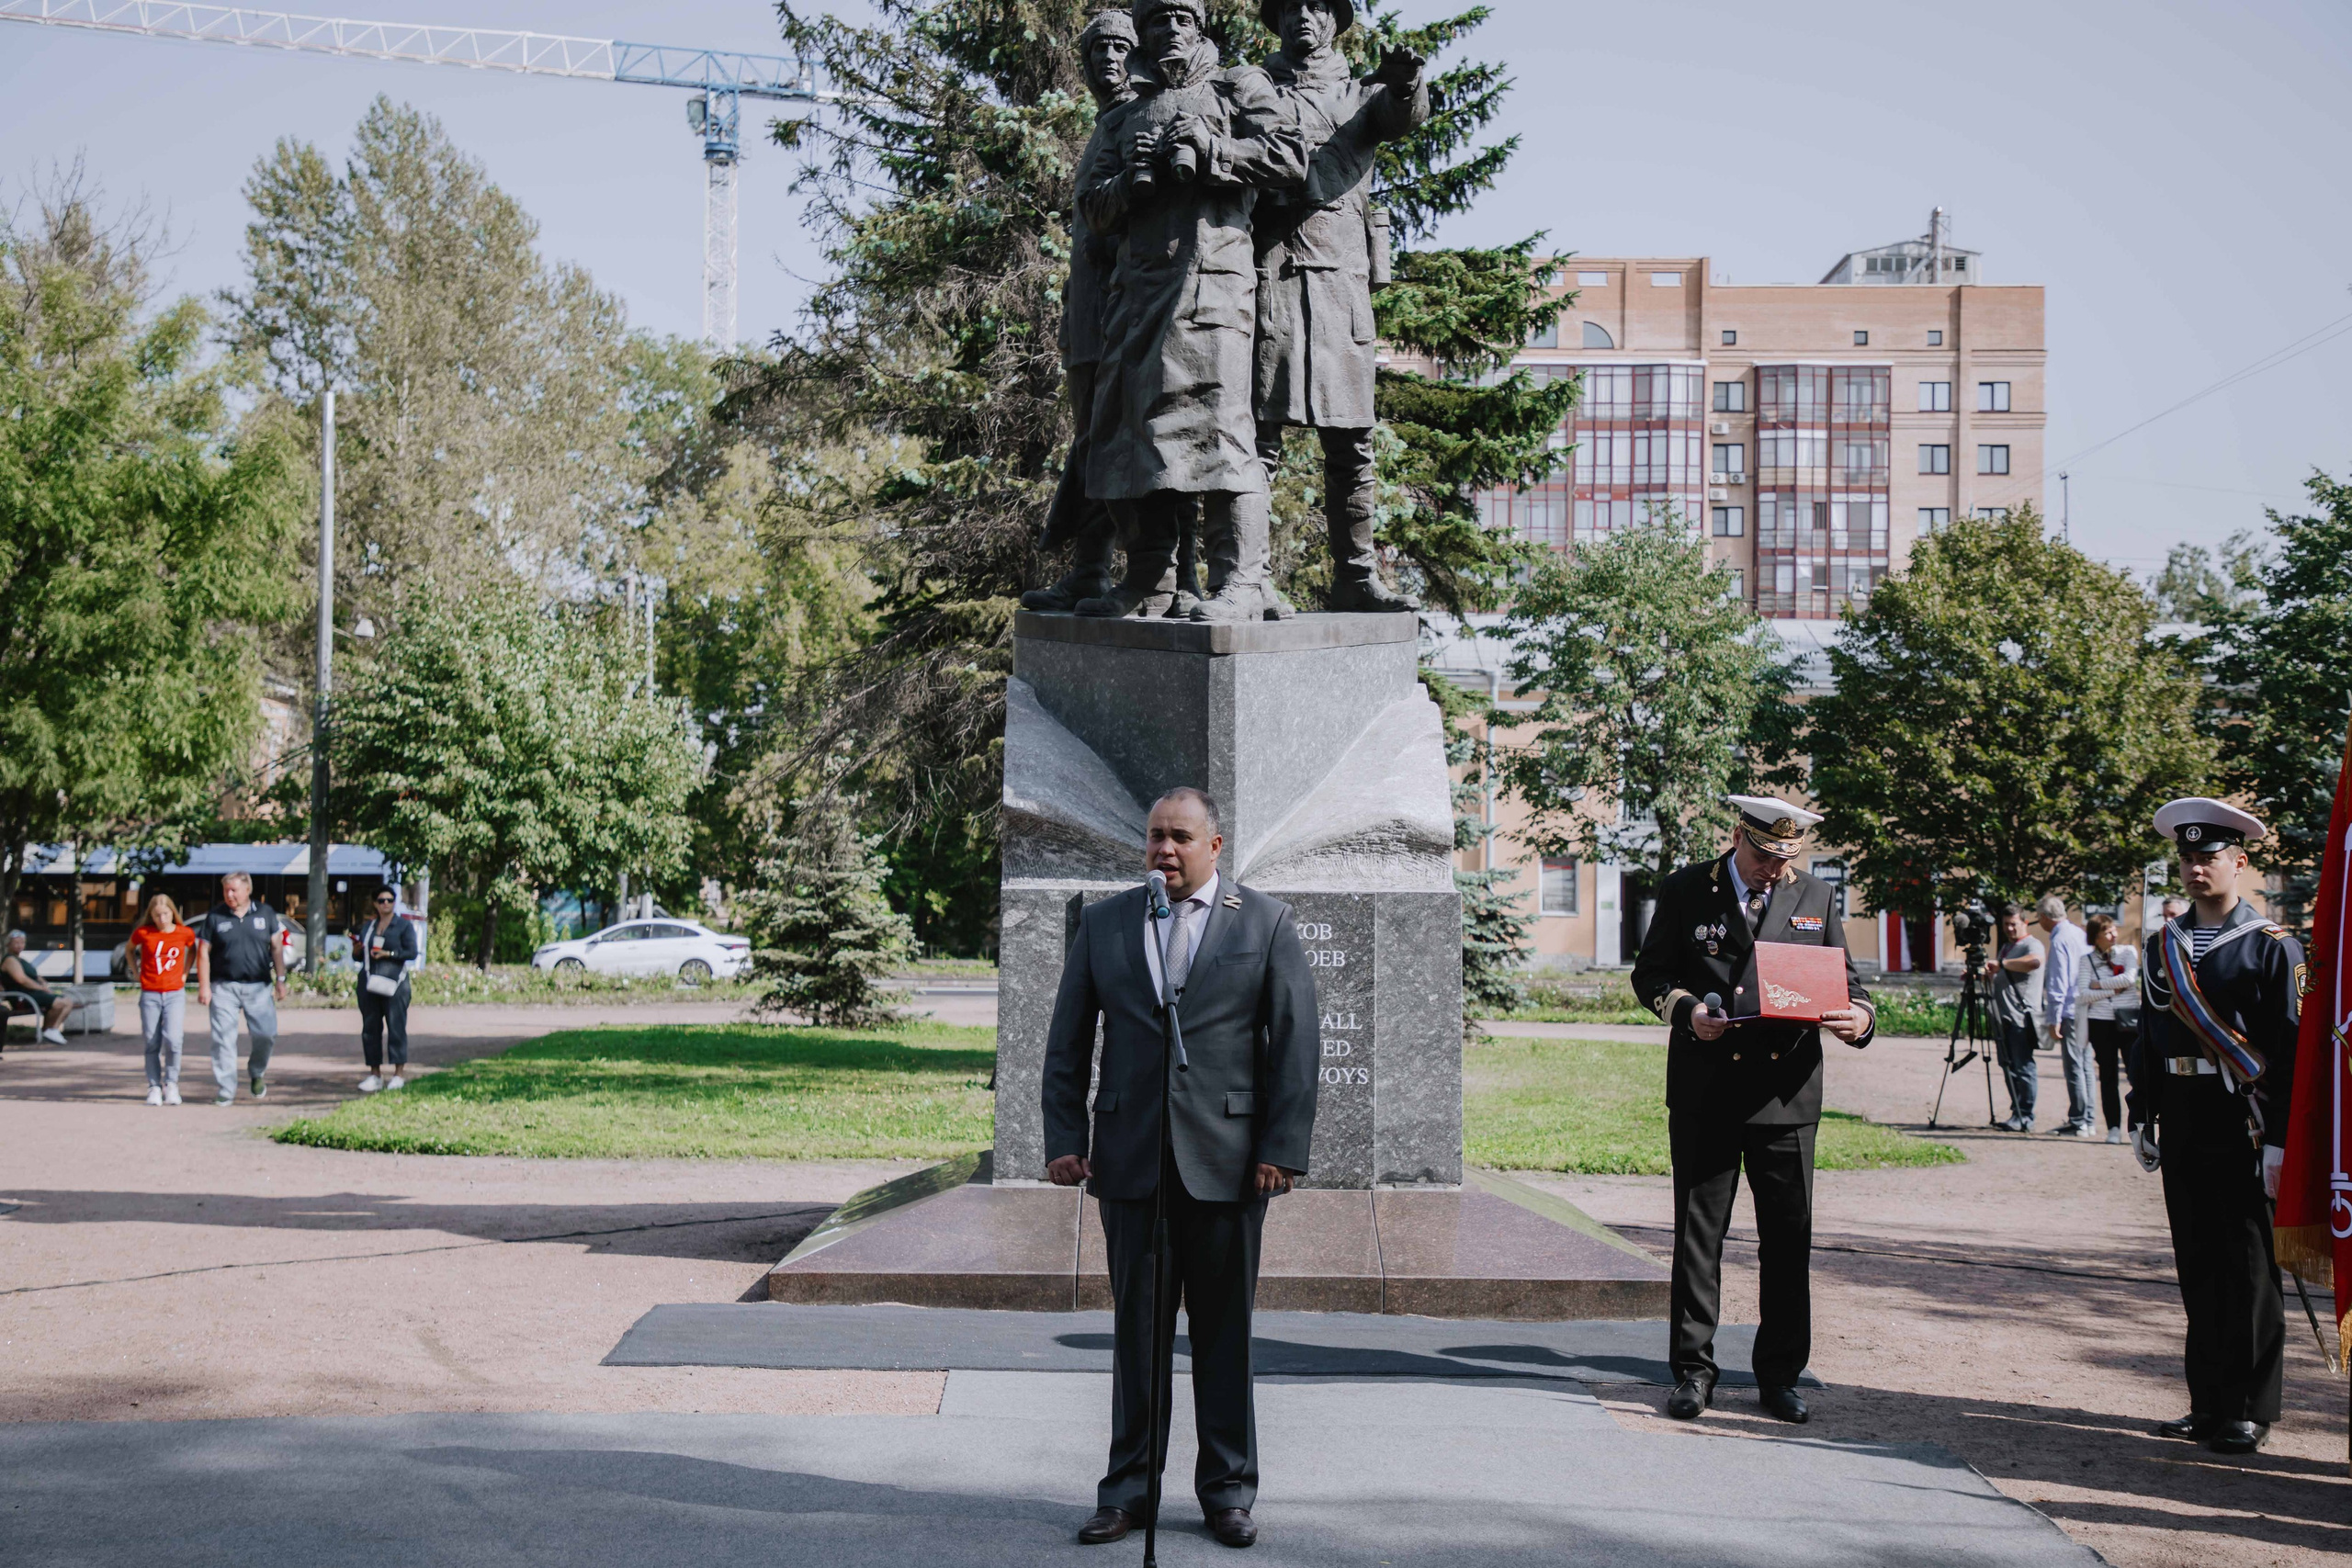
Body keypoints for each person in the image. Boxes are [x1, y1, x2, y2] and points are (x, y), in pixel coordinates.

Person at [1040, 786, 1318, 1548]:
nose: (1165, 849)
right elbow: (1068, 1040)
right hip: (1131, 1162)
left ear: (1215, 847)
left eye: (1180, 837)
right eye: (1156, 836)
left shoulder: (1264, 922)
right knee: (1137, 1338)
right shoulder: (1104, 923)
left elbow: (1296, 1042)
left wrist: (1282, 1147)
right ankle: (1128, 1490)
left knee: (1225, 1335)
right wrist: (1064, 1133)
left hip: (1228, 1166)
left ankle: (1227, 1490)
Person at [1631, 795, 1874, 1427]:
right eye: (1766, 855)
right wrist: (1687, 1011)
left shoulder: (1816, 897)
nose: (1775, 870)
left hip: (1787, 1095)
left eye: (1786, 858)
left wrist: (1861, 1018)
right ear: (1739, 836)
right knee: (1698, 1236)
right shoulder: (1688, 888)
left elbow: (1849, 983)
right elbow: (1650, 974)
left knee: (1788, 1241)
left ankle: (1780, 1376)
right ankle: (1693, 1370)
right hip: (1708, 1088)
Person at [1075, 0, 1307, 624]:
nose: (1169, 31)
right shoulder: (1125, 116)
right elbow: (1092, 208)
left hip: (1211, 290)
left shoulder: (1238, 86)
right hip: (1138, 298)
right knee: (1130, 436)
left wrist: (1214, 150)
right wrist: (1130, 179)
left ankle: (1242, 580)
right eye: (1156, 22)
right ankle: (1149, 580)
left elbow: (1291, 158)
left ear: (1200, 27)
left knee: (1224, 432)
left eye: (1182, 19)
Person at [2128, 798, 2303, 1457]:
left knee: (2251, 1269)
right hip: (2183, 1115)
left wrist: (2283, 1139)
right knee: (2197, 1262)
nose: (2197, 868)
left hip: (2247, 1122)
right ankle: (2207, 1401)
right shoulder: (2160, 945)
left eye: (2210, 857)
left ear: (2240, 862)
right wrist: (2141, 1112)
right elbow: (2148, 1035)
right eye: (2189, 857)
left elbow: (2288, 1051)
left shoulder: (2273, 948)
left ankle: (2250, 1408)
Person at [1248, 0, 1428, 612]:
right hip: (1273, 276)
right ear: (1277, 19)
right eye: (1292, 4)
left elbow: (1393, 116)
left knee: (1351, 442)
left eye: (1318, 4)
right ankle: (1250, 576)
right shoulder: (1252, 88)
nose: (1304, 14)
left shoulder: (1358, 94)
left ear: (1335, 20)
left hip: (1342, 287)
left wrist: (1404, 85)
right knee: (1258, 438)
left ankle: (1355, 576)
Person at [1027, 9, 1153, 614]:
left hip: (1124, 311)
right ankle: (1091, 568)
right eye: (1097, 49)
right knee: (1090, 442)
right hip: (1087, 316)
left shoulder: (1138, 119)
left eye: (1118, 47)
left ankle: (1151, 571)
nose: (1107, 58)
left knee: (1112, 443)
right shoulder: (1105, 125)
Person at [196, 871, 288, 1105]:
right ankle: (226, 1088)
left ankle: (257, 1072)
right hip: (223, 987)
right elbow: (203, 952)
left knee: (266, 1035)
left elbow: (276, 948)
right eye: (226, 890)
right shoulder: (215, 916)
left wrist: (281, 979)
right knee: (223, 1040)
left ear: (248, 890)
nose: (229, 895)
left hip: (258, 987)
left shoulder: (265, 913)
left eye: (234, 890)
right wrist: (204, 986)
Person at [2036, 896, 2098, 1138]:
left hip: (2071, 1011)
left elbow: (2058, 983)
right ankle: (2087, 1119)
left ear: (2044, 917)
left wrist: (2054, 1018)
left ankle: (2079, 1120)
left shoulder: (2061, 938)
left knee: (2074, 1067)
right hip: (2086, 1007)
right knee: (2085, 1066)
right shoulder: (2078, 934)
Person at [127, 896, 198, 1105]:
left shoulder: (184, 933)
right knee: (151, 1041)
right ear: (151, 916)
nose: (162, 919)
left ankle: (172, 1083)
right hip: (150, 992)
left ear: (173, 913)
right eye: (157, 915)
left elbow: (193, 949)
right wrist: (135, 971)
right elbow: (129, 949)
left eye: (166, 914)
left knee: (174, 1039)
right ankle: (154, 1086)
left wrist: (186, 972)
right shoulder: (144, 933)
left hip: (175, 991)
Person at [1984, 904, 2044, 1132]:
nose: (2009, 928)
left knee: (2023, 1067)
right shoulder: (2007, 947)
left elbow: (2034, 962)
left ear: (2024, 922)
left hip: (2021, 1017)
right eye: (2006, 924)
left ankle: (2026, 1115)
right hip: (2004, 1017)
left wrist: (2002, 964)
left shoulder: (2032, 944)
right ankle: (2016, 1112)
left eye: (2013, 924)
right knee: (2008, 1067)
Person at [2081, 913, 2139, 1145]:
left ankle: (2140, 1125)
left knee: (2136, 1074)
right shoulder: (2086, 960)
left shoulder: (2128, 952)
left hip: (2128, 1021)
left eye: (2114, 929)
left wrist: (2100, 985)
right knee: (2108, 1076)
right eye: (2107, 931)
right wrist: (2110, 992)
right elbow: (2083, 994)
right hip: (2101, 1022)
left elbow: (2130, 978)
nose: (2114, 934)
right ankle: (2113, 1127)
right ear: (2096, 937)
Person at [355, 888, 419, 1093]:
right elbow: (359, 955)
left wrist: (388, 953)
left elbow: (411, 952)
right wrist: (356, 950)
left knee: (396, 1027)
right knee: (370, 1029)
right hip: (370, 983)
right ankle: (375, 1074)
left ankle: (398, 1074)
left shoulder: (403, 926)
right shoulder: (369, 926)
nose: (385, 904)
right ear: (375, 903)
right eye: (381, 900)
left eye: (389, 900)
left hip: (395, 984)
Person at [1, 930, 74, 1045]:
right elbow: (22, 979)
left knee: (68, 1002)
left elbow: (35, 976)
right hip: (23, 996)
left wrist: (43, 982)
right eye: (16, 943)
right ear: (8, 944)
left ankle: (51, 1030)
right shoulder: (10, 960)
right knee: (59, 1003)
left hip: (33, 994)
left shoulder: (21, 960)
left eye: (22, 942)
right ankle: (50, 1031)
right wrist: (41, 988)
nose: (20, 945)